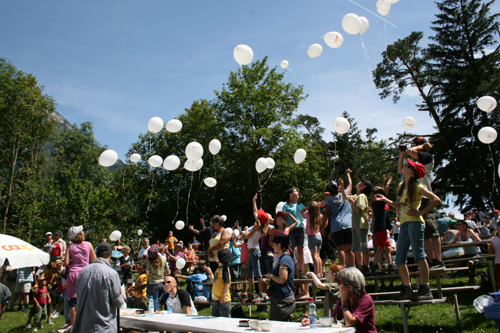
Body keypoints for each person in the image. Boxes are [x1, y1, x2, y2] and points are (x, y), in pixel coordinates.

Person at [374, 154, 441, 301]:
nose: (405, 166)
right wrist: (385, 199)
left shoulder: (418, 185)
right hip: (404, 224)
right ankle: (407, 287)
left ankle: (425, 288)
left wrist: (421, 212)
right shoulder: (401, 186)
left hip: (416, 222)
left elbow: (436, 199)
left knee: (419, 255)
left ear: (412, 172)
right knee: (399, 259)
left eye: (408, 165)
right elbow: (399, 206)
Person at [302, 267, 376, 333]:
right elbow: (333, 319)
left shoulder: (365, 300)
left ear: (349, 287)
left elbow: (349, 322)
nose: (337, 285)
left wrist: (344, 303)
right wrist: (313, 322)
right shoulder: (345, 298)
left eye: (339, 282)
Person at [73, 242, 124, 333]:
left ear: (96, 254)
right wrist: (122, 294)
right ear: (111, 254)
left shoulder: (83, 272)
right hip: (104, 327)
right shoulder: (112, 274)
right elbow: (119, 303)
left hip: (84, 326)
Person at [64, 225, 96, 329]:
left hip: (73, 273)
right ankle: (86, 324)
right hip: (85, 273)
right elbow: (94, 260)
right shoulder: (88, 244)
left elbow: (66, 263)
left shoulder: (70, 246)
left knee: (73, 302)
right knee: (86, 299)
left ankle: (74, 326)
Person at [340, 175, 372, 275]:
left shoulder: (362, 197)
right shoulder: (356, 196)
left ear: (363, 187)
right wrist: (342, 186)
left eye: (361, 183)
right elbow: (345, 197)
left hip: (361, 226)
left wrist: (353, 203)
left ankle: (366, 266)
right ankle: (360, 266)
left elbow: (358, 209)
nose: (359, 183)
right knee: (357, 249)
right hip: (355, 226)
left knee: (363, 247)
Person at [322, 172, 355, 267]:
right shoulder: (346, 194)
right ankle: (353, 267)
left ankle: (342, 267)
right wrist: (348, 174)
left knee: (340, 248)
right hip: (348, 224)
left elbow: (326, 214)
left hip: (336, 226)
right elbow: (350, 184)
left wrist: (322, 226)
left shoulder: (329, 200)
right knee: (349, 249)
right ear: (338, 188)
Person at [264, 234, 295, 321]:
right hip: (281, 299)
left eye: (274, 244)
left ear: (279, 245)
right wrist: (271, 282)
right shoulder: (284, 258)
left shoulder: (284, 260)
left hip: (282, 300)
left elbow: (282, 279)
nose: (272, 246)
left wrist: (271, 276)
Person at [371, 186, 396, 275]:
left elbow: (386, 218)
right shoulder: (376, 204)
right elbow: (385, 194)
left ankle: (390, 265)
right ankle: (375, 265)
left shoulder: (383, 205)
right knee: (380, 249)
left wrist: (389, 226)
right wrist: (388, 183)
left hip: (383, 228)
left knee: (388, 248)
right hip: (380, 228)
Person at [282, 188, 306, 279]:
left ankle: (301, 271)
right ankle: (291, 269)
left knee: (301, 250)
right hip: (291, 230)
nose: (298, 192)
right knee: (291, 250)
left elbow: (306, 214)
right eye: (296, 191)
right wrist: (288, 226)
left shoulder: (301, 205)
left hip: (300, 229)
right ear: (291, 194)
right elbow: (283, 219)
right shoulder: (286, 206)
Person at [448, 220, 482, 284]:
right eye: (457, 225)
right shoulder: (458, 234)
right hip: (467, 254)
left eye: (459, 225)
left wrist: (465, 243)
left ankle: (472, 278)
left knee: (470, 263)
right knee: (457, 264)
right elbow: (450, 243)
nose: (458, 226)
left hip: (476, 253)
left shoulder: (469, 231)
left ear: (464, 226)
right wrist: (456, 243)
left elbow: (478, 240)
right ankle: (471, 276)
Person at [206, 249, 232, 317]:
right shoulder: (218, 269)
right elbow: (214, 281)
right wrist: (210, 272)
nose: (216, 257)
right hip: (216, 299)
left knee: (224, 320)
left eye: (217, 256)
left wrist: (223, 296)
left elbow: (227, 283)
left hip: (223, 300)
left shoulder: (224, 270)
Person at [301, 197, 323, 277]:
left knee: (314, 255)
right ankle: (320, 272)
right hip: (319, 236)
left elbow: (301, 211)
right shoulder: (320, 216)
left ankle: (316, 272)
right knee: (318, 255)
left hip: (311, 236)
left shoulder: (308, 215)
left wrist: (310, 204)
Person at [146, 245, 169, 311]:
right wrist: (161, 274)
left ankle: (155, 315)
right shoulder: (163, 259)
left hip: (153, 283)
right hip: (161, 282)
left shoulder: (149, 261)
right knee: (158, 300)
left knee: (154, 302)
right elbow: (167, 271)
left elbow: (147, 273)